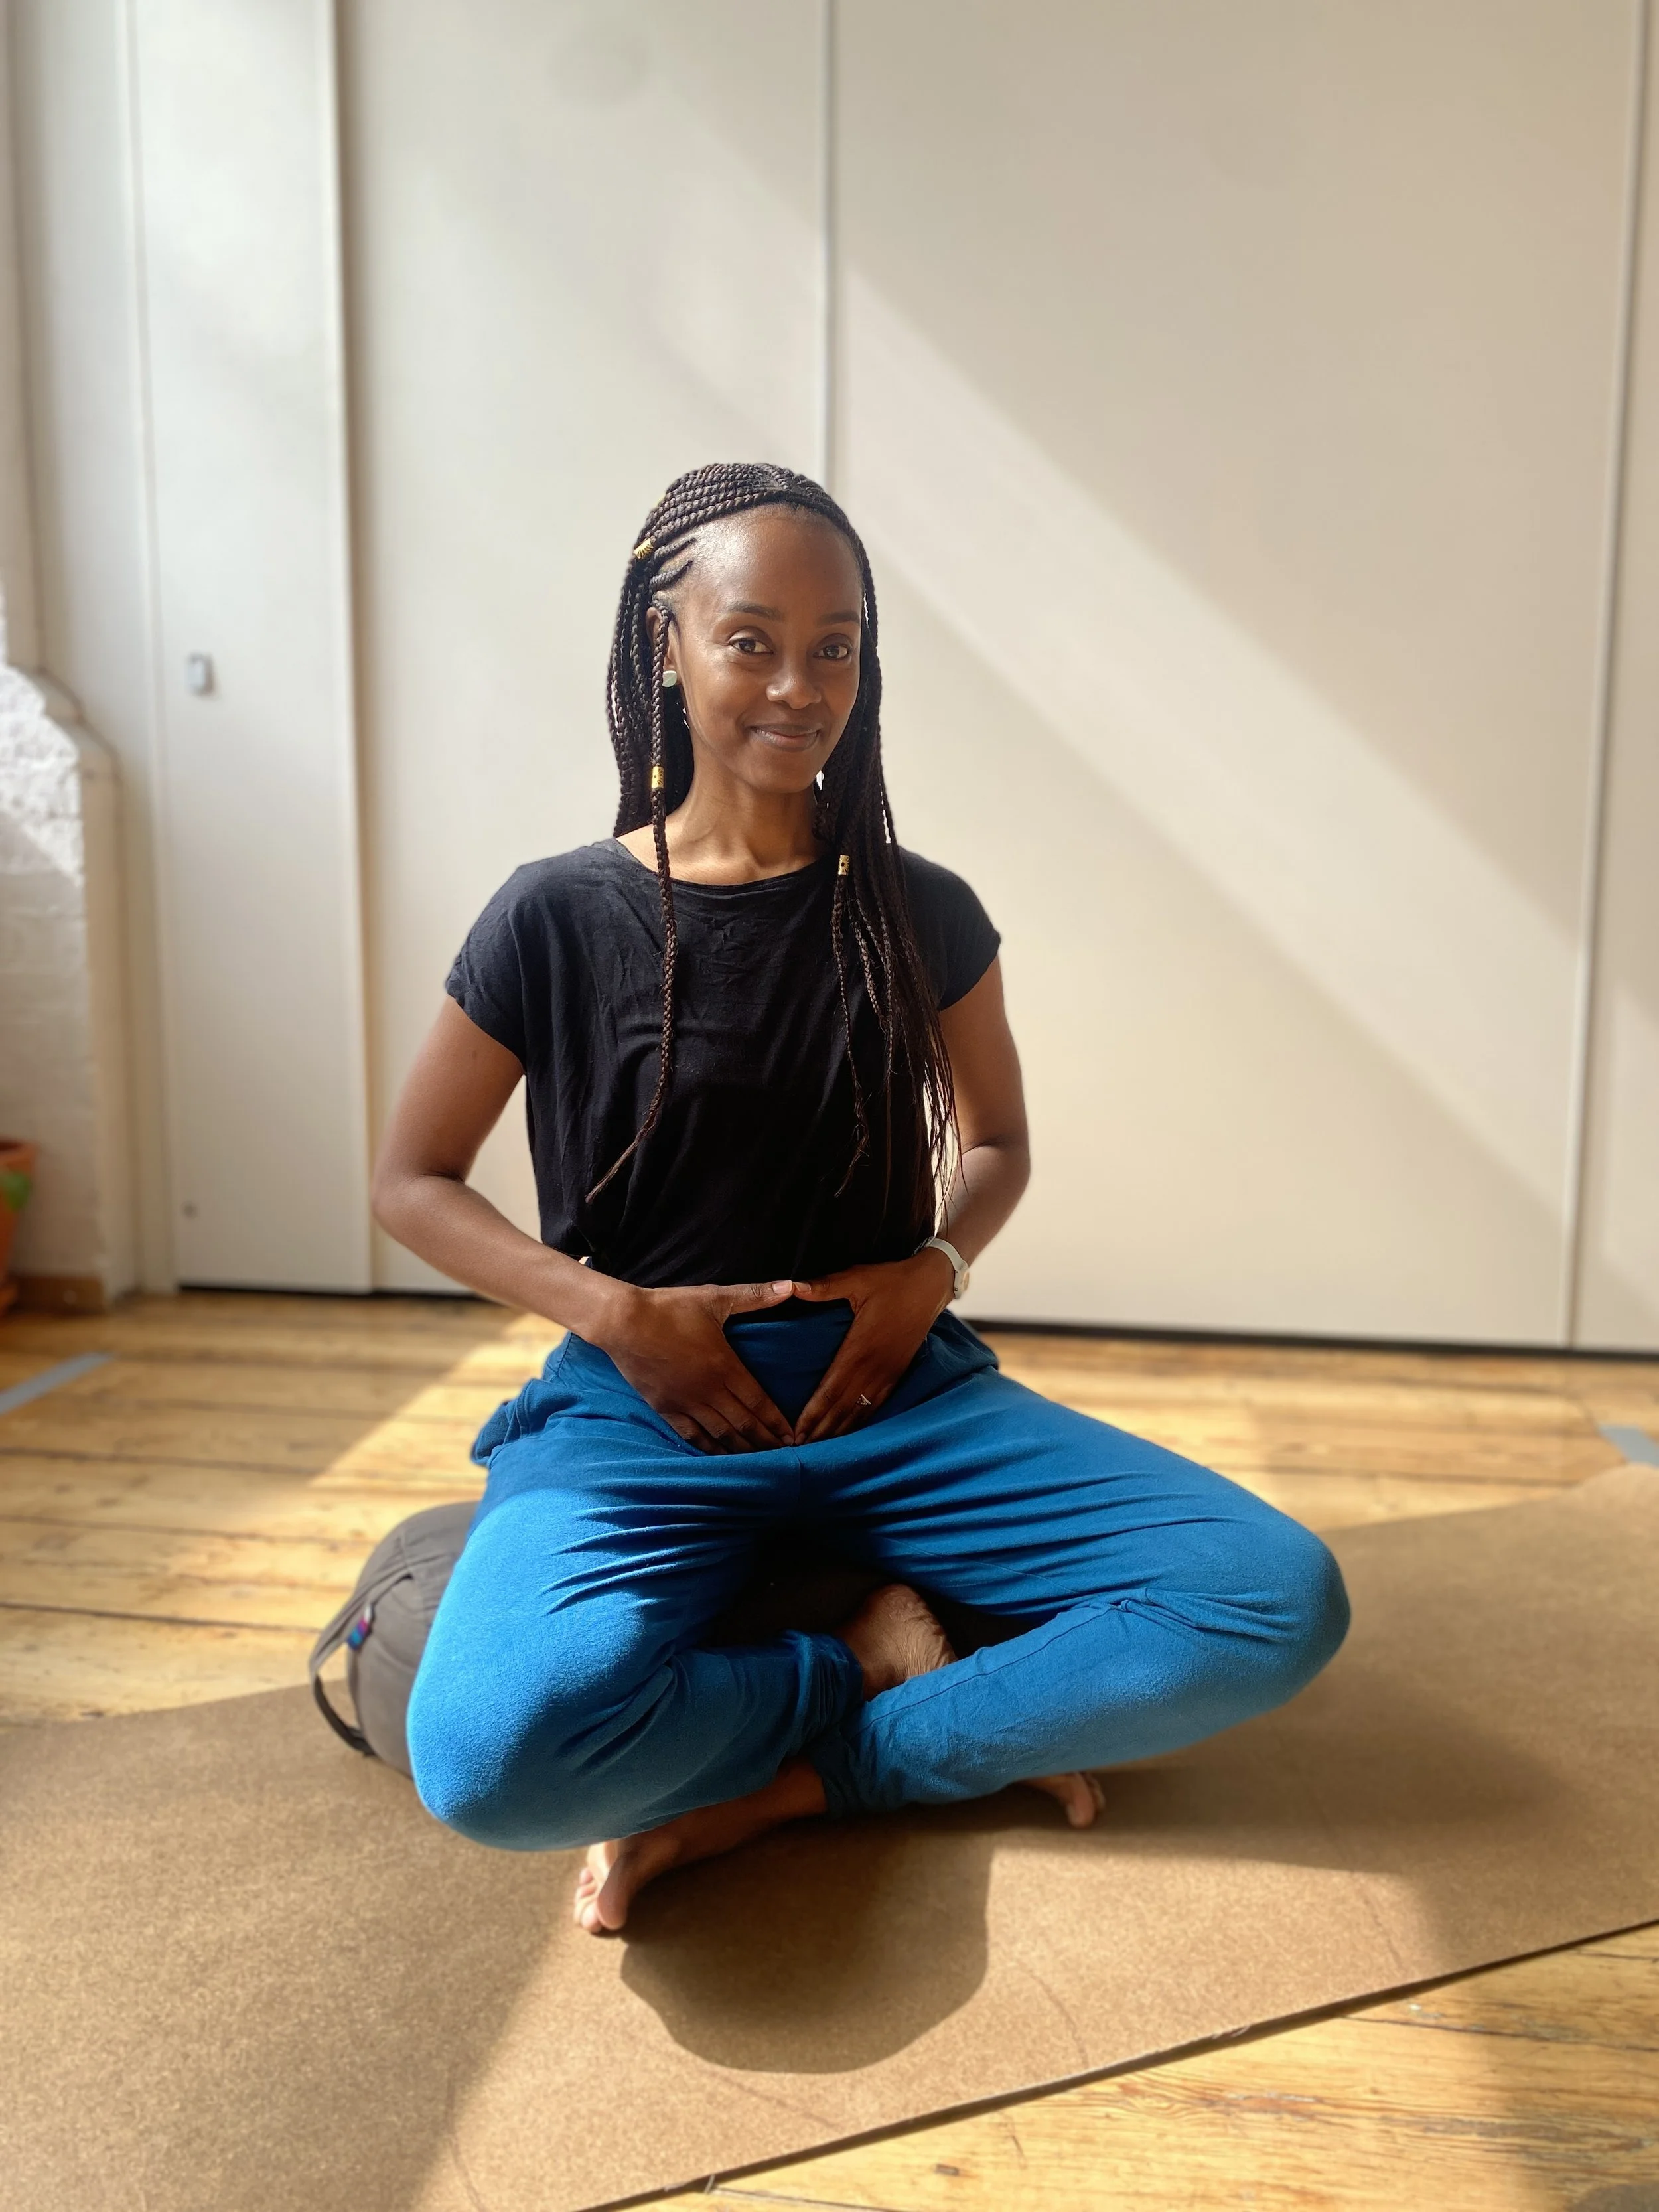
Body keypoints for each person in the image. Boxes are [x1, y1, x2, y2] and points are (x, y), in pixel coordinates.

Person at [372, 461, 1349, 1936]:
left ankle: (811, 1781)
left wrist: (933, 1269)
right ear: (667, 647)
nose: (798, 683)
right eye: (750, 638)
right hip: (645, 1409)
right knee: (490, 1764)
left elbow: (1000, 1143)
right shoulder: (552, 916)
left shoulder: (920, 908)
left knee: (1273, 1598)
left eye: (835, 646)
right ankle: (850, 1648)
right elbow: (410, 1180)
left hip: (899, 1392)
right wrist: (614, 1314)